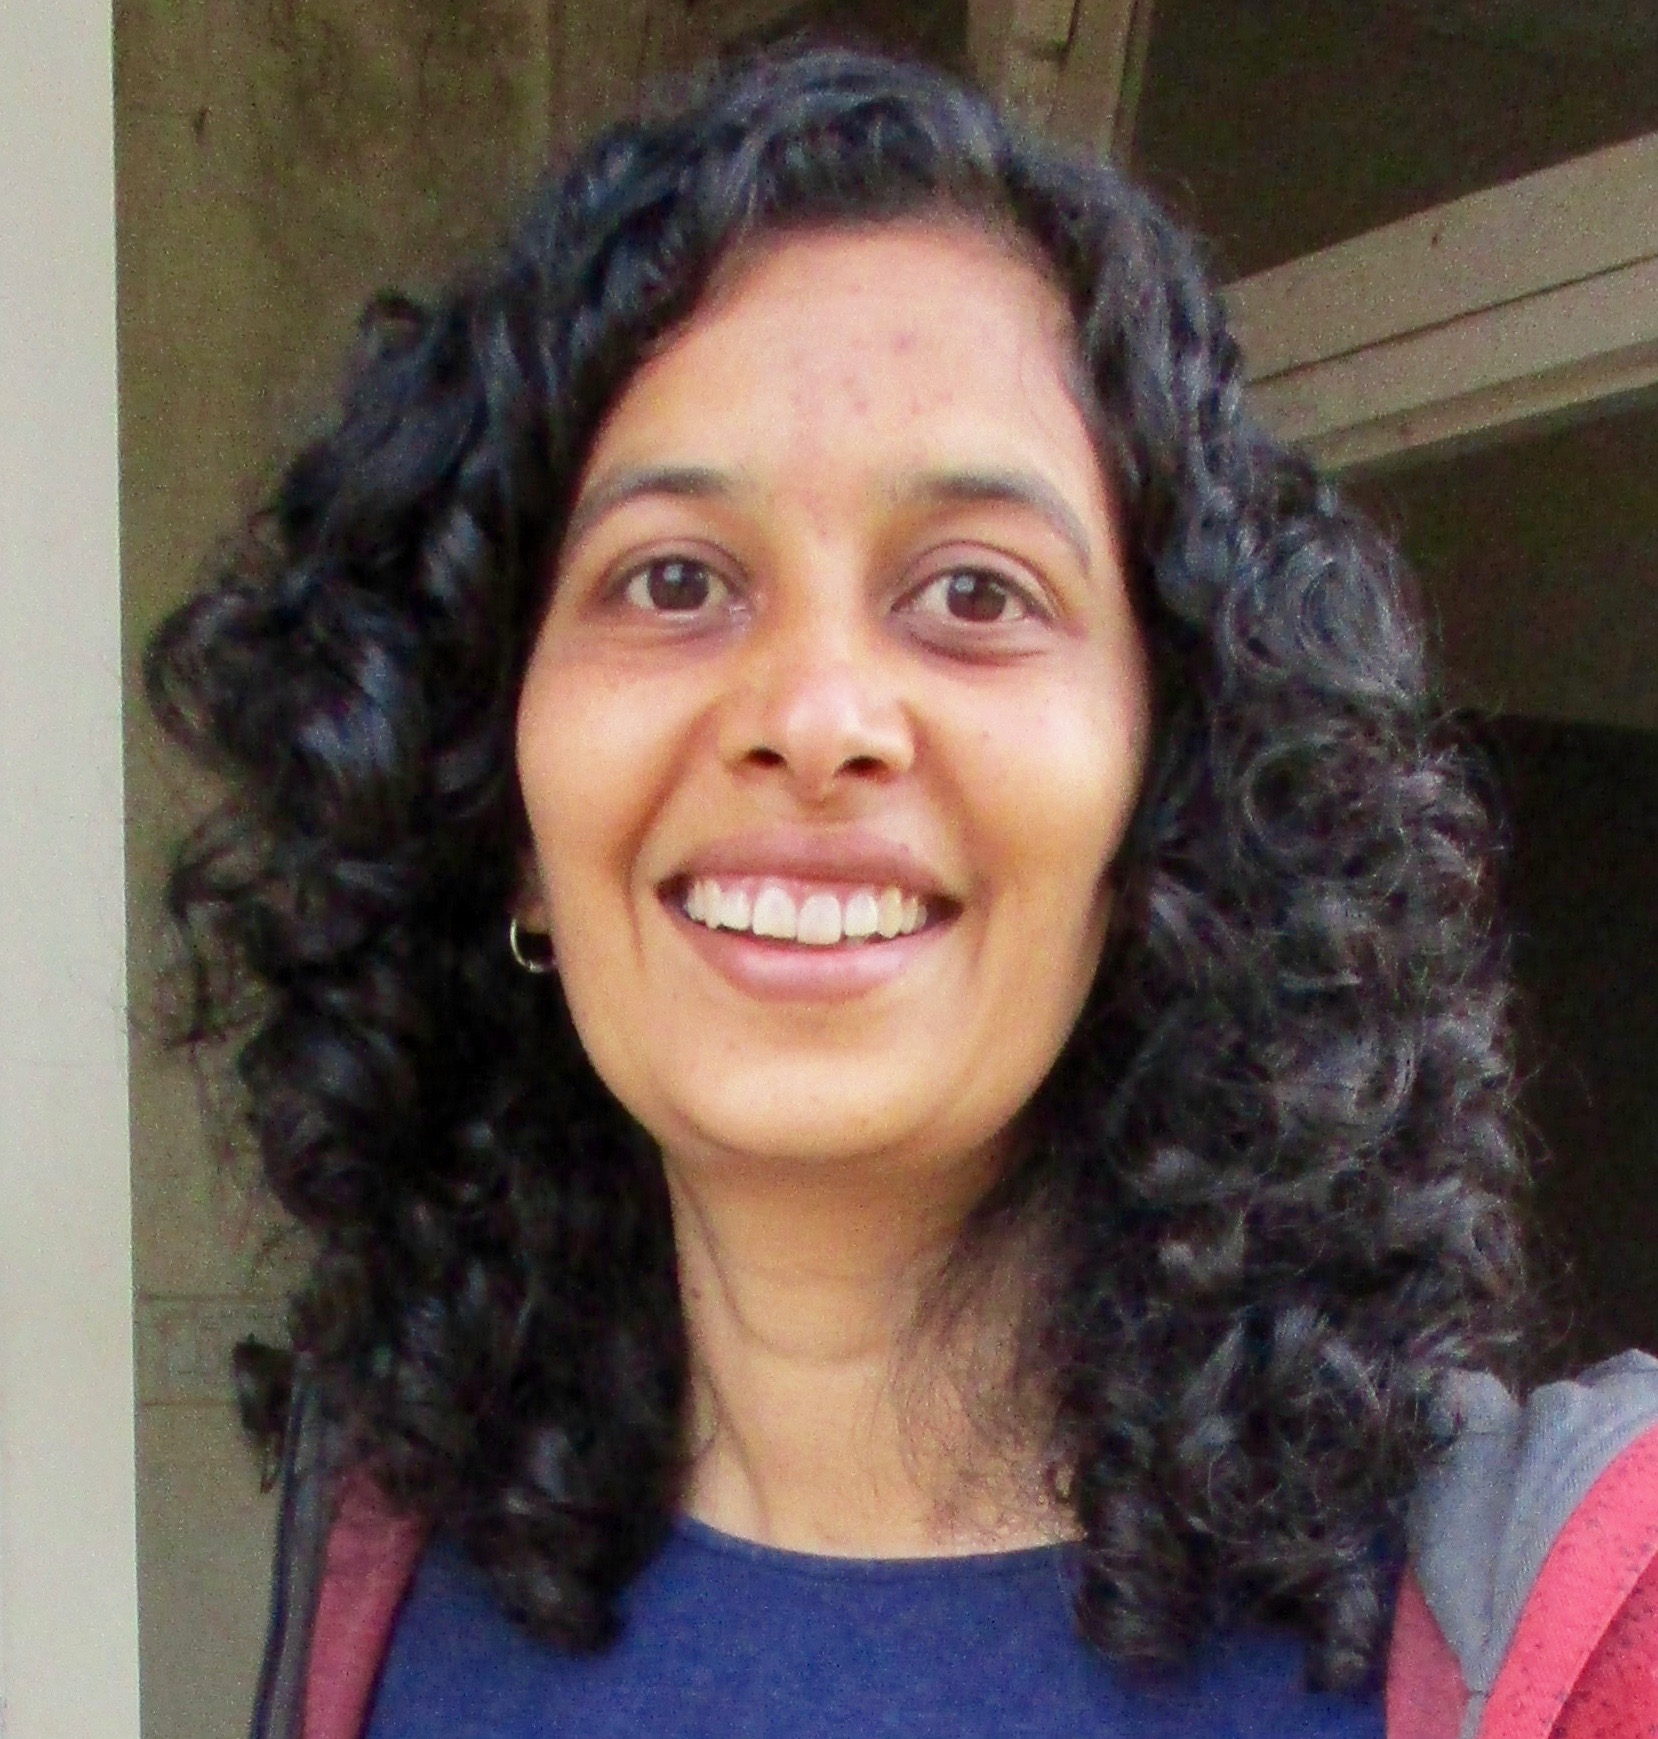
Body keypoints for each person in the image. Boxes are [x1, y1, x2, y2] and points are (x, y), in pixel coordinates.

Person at [145, 47, 1658, 1739]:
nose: (813, 717)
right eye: (673, 578)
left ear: (1171, 794)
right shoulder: (389, 1559)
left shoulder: (1581, 1633)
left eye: (973, 593)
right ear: (496, 802)